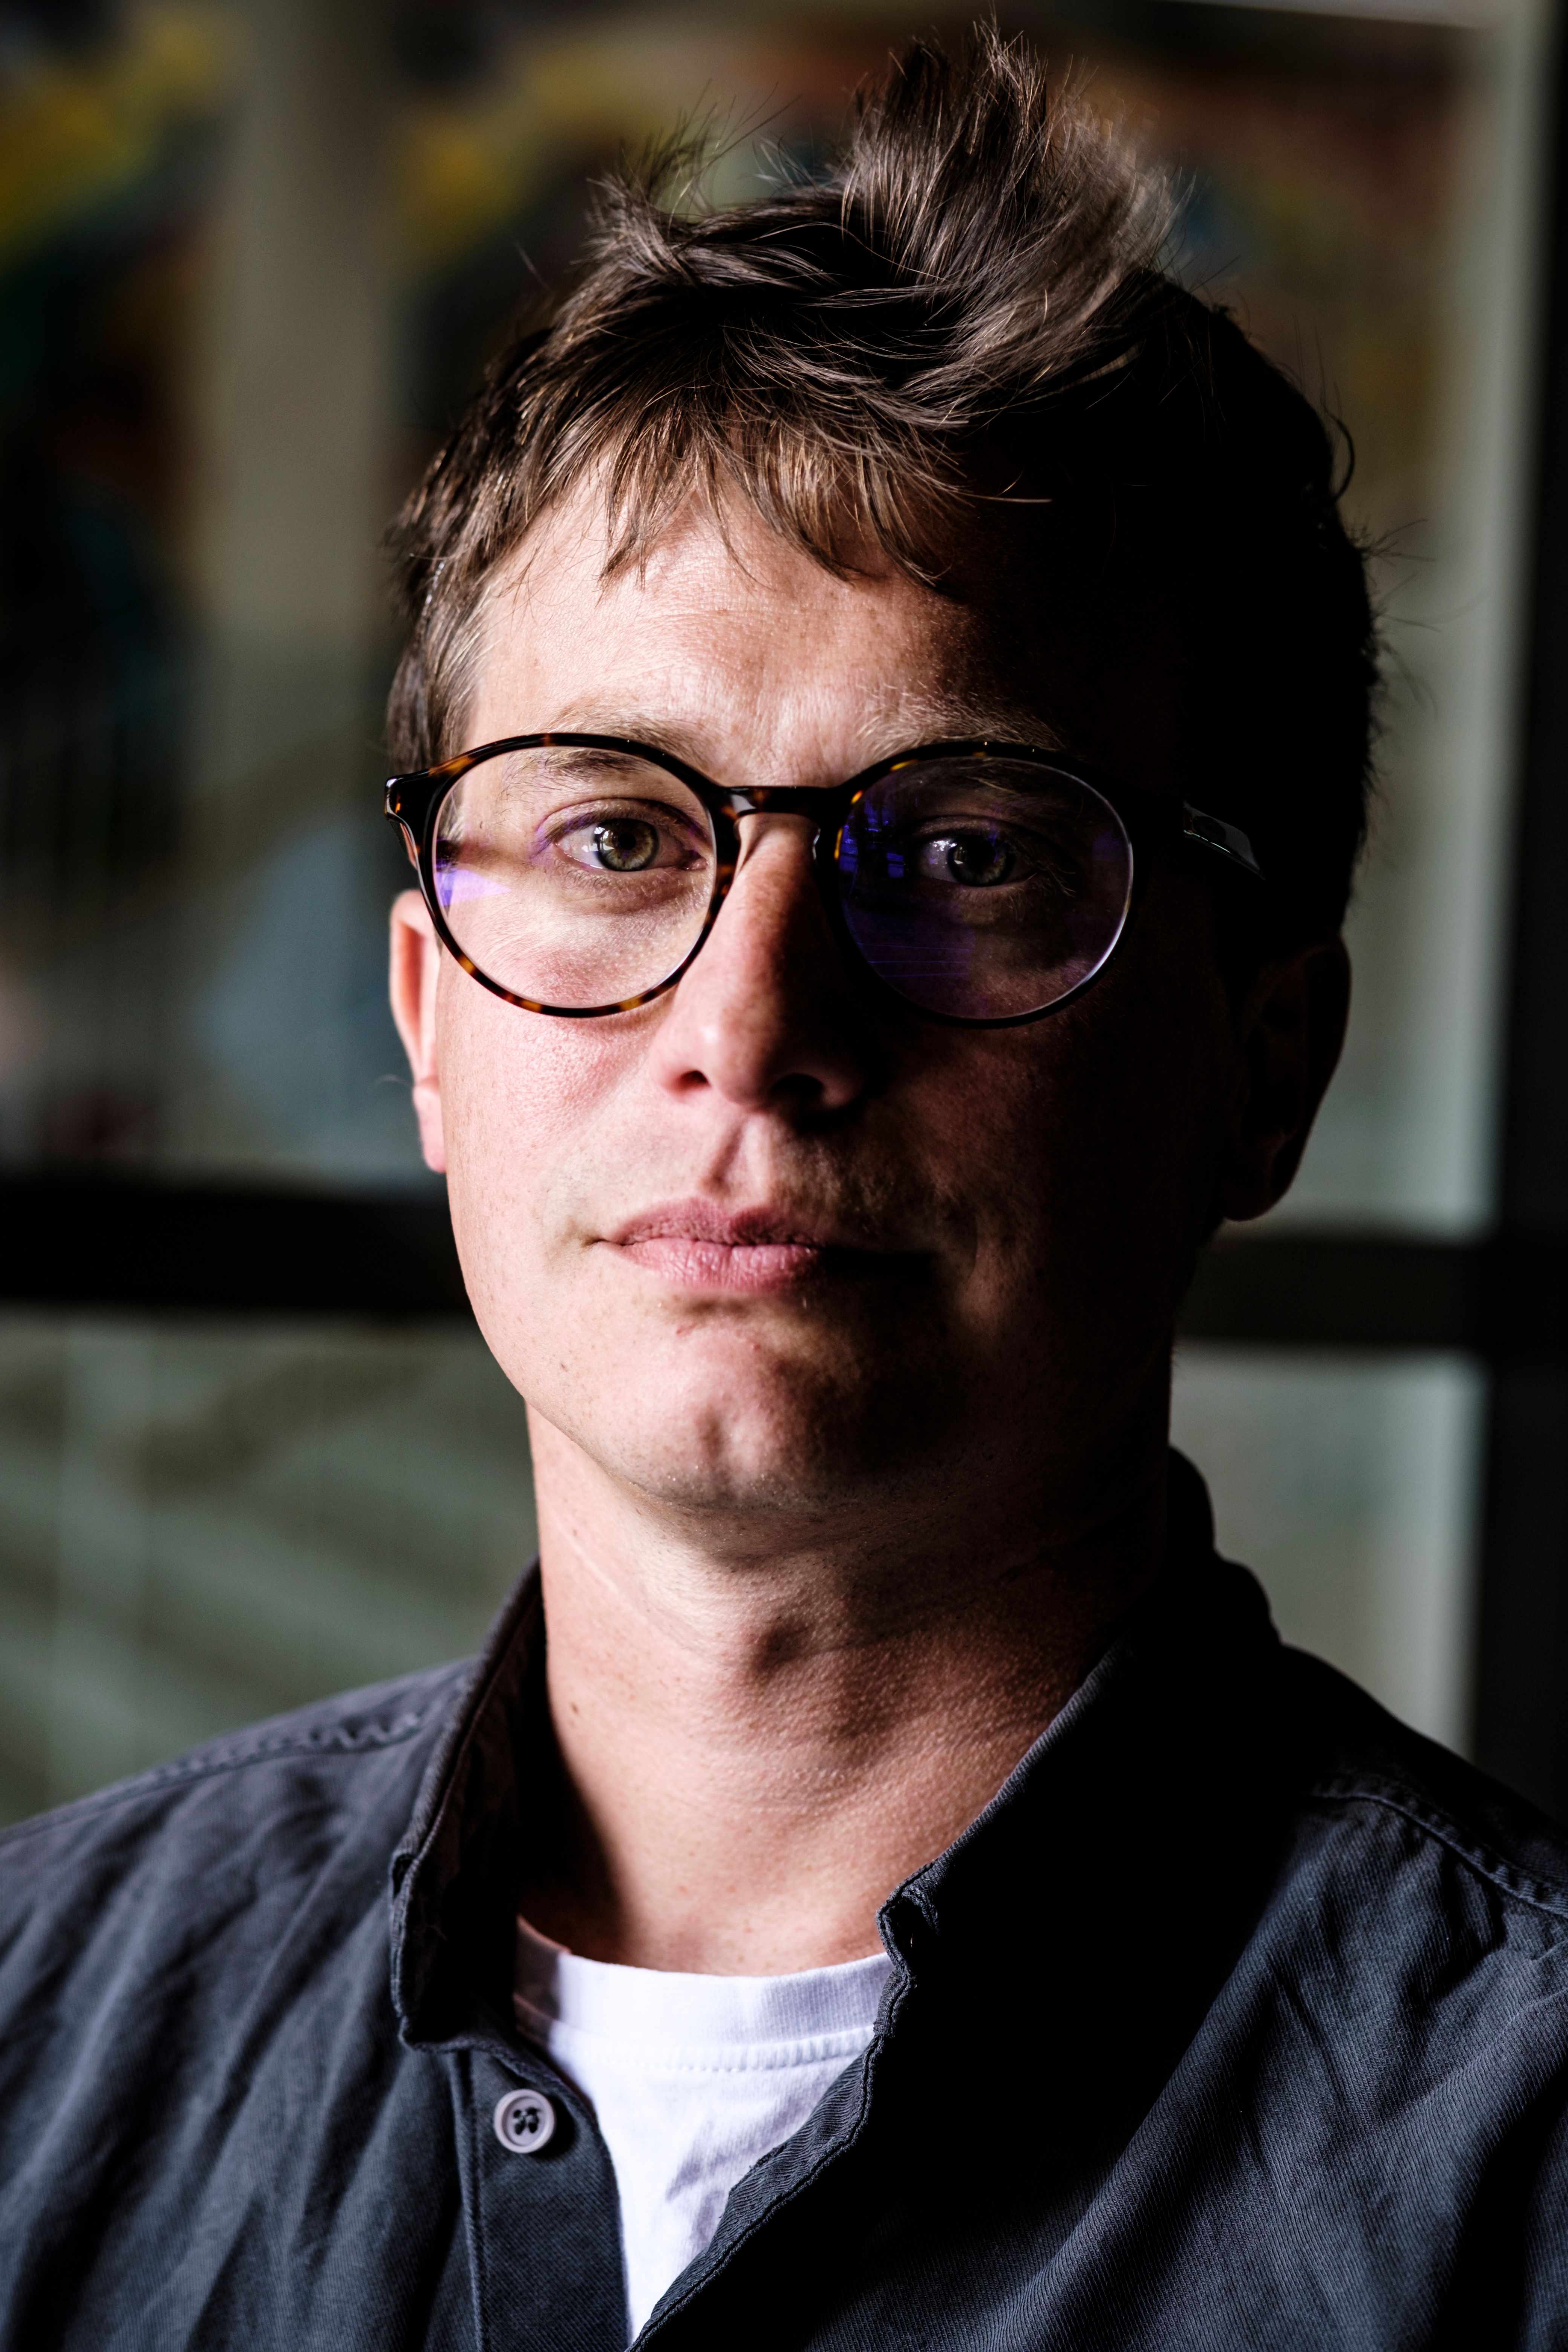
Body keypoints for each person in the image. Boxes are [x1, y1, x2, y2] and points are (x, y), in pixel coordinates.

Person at [2, 27, 1566, 2348]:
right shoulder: (35, 2042)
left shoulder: (1524, 2165)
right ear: (428, 1018)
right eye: (614, 835)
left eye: (969, 851)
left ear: (1271, 1064)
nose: (746, 1026)